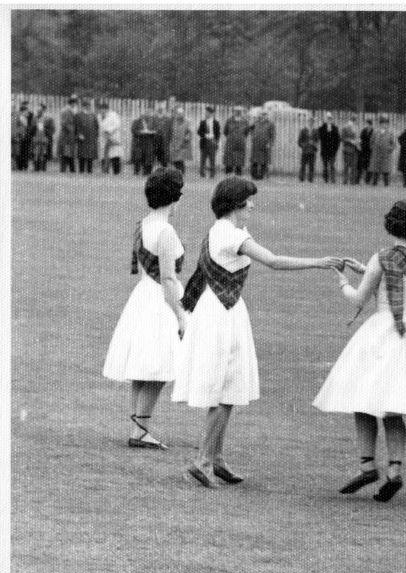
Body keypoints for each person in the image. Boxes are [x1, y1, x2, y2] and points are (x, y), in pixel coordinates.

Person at [174, 177, 341, 488]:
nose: (252, 205)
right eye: (249, 200)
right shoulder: (228, 234)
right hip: (220, 314)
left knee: (229, 386)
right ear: (237, 203)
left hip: (226, 311)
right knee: (222, 389)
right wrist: (319, 262)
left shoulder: (229, 230)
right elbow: (274, 261)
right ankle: (203, 461)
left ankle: (216, 459)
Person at [314, 199, 406, 502]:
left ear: (390, 224)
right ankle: (394, 469)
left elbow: (359, 299)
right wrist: (367, 269)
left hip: (383, 331)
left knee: (363, 400)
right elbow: (404, 285)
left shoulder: (382, 258)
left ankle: (367, 465)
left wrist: (342, 282)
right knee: (393, 407)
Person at [102, 167, 188, 450]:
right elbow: (168, 278)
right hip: (160, 300)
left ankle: (138, 427)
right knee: (159, 367)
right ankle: (140, 428)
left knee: (144, 365)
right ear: (174, 198)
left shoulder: (143, 224)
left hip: (142, 297)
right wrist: (181, 315)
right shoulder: (166, 231)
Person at [130, 105, 158, 176]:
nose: (147, 114)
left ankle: (147, 173)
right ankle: (136, 172)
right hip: (139, 142)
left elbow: (157, 131)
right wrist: (141, 132)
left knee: (149, 158)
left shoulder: (154, 121)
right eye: (146, 112)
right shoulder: (136, 121)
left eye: (149, 113)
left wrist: (152, 132)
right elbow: (133, 130)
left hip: (150, 142)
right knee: (138, 158)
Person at [97, 100, 123, 175]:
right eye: (100, 110)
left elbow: (117, 124)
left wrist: (109, 130)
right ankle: (105, 172)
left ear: (106, 109)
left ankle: (116, 172)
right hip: (103, 138)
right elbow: (99, 126)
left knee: (114, 155)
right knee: (104, 156)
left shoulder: (113, 115)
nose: (101, 111)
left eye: (102, 109)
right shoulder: (99, 116)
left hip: (113, 137)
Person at [369, 115, 395, 187]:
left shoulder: (390, 133)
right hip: (376, 153)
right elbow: (371, 141)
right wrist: (373, 148)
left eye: (386, 123)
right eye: (382, 123)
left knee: (385, 170)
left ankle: (386, 184)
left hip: (386, 154)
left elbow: (393, 143)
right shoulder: (375, 132)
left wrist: (390, 149)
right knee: (376, 170)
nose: (384, 125)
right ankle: (374, 183)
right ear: (380, 124)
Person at [222, 106, 249, 176]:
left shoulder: (245, 121)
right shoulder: (229, 120)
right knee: (229, 160)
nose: (238, 112)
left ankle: (238, 176)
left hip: (240, 144)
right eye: (236, 111)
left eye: (240, 111)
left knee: (239, 161)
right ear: (233, 112)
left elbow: (246, 133)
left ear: (242, 112)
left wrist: (240, 137)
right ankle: (228, 176)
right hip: (230, 143)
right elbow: (225, 132)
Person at [249, 110, 275, 180]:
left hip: (265, 145)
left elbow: (272, 135)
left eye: (264, 114)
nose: (263, 116)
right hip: (256, 144)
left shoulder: (270, 124)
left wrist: (270, 143)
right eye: (261, 114)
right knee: (254, 161)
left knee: (264, 161)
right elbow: (250, 129)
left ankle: (261, 176)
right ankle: (254, 175)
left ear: (267, 116)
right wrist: (253, 137)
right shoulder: (255, 122)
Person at [57, 95, 80, 173]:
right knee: (65, 155)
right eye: (75, 103)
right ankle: (63, 171)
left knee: (69, 154)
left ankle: (71, 170)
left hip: (68, 136)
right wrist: (73, 132)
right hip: (66, 137)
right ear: (72, 103)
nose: (75, 105)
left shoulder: (68, 110)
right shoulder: (67, 111)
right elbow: (65, 123)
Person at [197, 105, 221, 179]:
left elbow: (218, 133)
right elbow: (199, 132)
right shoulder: (202, 122)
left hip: (212, 141)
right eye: (205, 112)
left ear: (212, 114)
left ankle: (212, 174)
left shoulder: (216, 122)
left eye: (207, 113)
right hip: (204, 141)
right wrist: (204, 135)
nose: (206, 114)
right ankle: (202, 174)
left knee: (212, 159)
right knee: (203, 159)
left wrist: (216, 141)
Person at [168, 107, 193, 174]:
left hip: (182, 144)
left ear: (183, 114)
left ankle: (181, 173)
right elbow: (170, 131)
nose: (180, 115)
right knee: (174, 160)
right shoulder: (173, 122)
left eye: (181, 113)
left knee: (180, 160)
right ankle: (178, 173)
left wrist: (187, 137)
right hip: (174, 143)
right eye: (178, 113)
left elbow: (189, 132)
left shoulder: (187, 122)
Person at [30, 104, 55, 172]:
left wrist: (47, 135)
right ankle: (36, 169)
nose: (39, 112)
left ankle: (43, 169)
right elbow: (31, 129)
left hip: (44, 140)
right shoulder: (34, 118)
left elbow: (52, 129)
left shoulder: (49, 118)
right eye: (38, 111)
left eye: (41, 110)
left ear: (44, 110)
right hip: (36, 139)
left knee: (43, 154)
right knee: (36, 154)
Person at [317, 112, 341, 183]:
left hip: (332, 151)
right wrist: (324, 128)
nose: (329, 119)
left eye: (330, 118)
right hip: (324, 150)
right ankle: (326, 179)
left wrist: (336, 149)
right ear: (325, 119)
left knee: (332, 166)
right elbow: (320, 137)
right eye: (327, 118)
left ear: (332, 119)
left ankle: (333, 179)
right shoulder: (322, 128)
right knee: (325, 166)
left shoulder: (335, 128)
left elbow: (338, 139)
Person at [298, 115, 318, 183]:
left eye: (312, 121)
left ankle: (310, 179)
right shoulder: (303, 130)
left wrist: (314, 144)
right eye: (310, 121)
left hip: (312, 151)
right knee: (303, 165)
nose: (311, 122)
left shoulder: (316, 130)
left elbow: (317, 141)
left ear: (313, 122)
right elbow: (299, 141)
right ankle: (301, 178)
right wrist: (304, 145)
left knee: (311, 166)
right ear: (308, 122)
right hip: (305, 151)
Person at [340, 117, 360, 185]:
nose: (353, 123)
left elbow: (357, 137)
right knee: (346, 166)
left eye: (354, 122)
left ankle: (352, 181)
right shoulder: (345, 128)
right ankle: (345, 181)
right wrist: (351, 141)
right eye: (353, 121)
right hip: (347, 149)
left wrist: (358, 141)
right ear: (350, 121)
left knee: (354, 166)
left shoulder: (356, 128)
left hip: (355, 149)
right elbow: (342, 138)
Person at [358, 119, 373, 184]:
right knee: (360, 165)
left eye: (368, 124)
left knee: (369, 165)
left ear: (371, 125)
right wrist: (359, 146)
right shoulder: (363, 130)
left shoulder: (373, 131)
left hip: (370, 151)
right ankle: (357, 180)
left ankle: (367, 180)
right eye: (366, 124)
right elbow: (360, 138)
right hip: (362, 150)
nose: (367, 125)